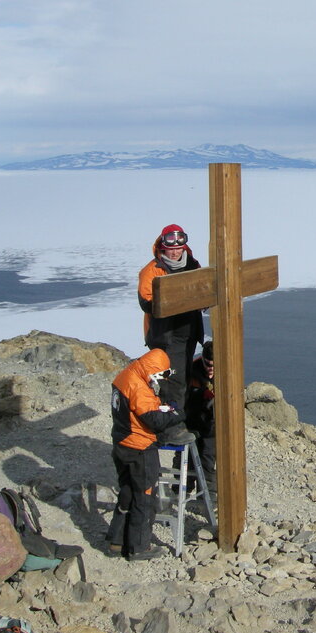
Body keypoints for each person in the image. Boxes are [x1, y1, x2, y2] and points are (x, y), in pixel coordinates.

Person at [104, 348, 194, 560]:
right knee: (144, 497)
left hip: (122, 443)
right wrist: (175, 414)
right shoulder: (138, 386)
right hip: (139, 447)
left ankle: (116, 542)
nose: (160, 379)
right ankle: (139, 547)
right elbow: (153, 420)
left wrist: (159, 406)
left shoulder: (126, 376)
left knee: (126, 491)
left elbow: (140, 408)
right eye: (161, 374)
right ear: (152, 369)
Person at [137, 224, 204, 408]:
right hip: (166, 336)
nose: (174, 252)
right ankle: (171, 425)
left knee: (185, 376)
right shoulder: (152, 270)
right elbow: (146, 302)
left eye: (178, 248)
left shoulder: (192, 264)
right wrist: (175, 300)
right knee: (171, 380)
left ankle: (182, 417)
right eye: (170, 249)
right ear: (163, 247)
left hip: (188, 332)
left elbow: (203, 289)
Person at [180, 340, 217, 497]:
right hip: (191, 420)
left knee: (207, 460)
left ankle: (208, 497)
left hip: (211, 425)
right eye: (207, 364)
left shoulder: (226, 373)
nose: (209, 369)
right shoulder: (191, 370)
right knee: (184, 459)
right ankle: (181, 492)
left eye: (212, 365)